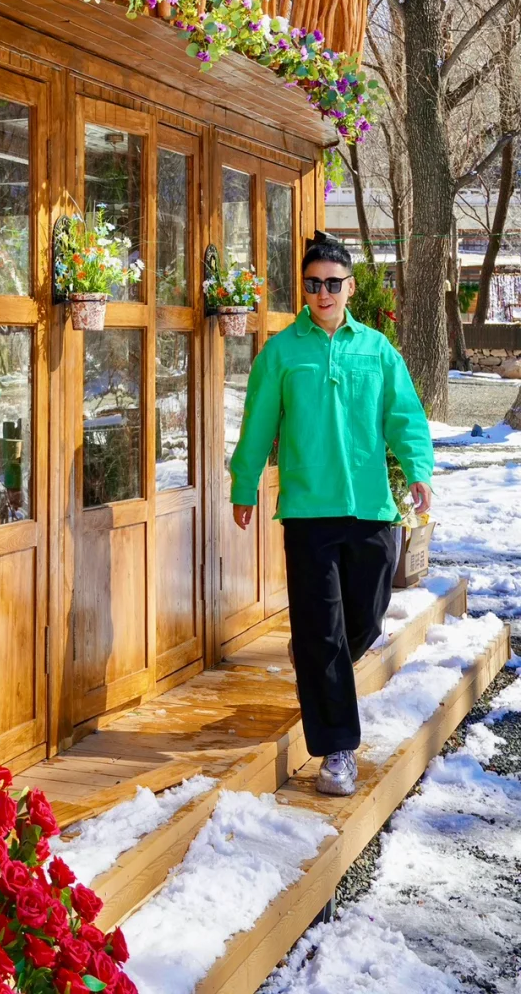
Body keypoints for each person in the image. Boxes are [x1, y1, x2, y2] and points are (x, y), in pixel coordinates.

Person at [229, 231, 433, 797]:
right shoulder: (281, 353)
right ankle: (338, 750)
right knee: (322, 629)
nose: (323, 292)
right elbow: (258, 428)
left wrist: (418, 468)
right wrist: (244, 487)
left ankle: (316, 651)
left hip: (369, 506)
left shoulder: (376, 350)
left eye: (333, 283)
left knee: (366, 615)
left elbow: (404, 415)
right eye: (313, 283)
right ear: (306, 288)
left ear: (348, 287)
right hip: (308, 511)